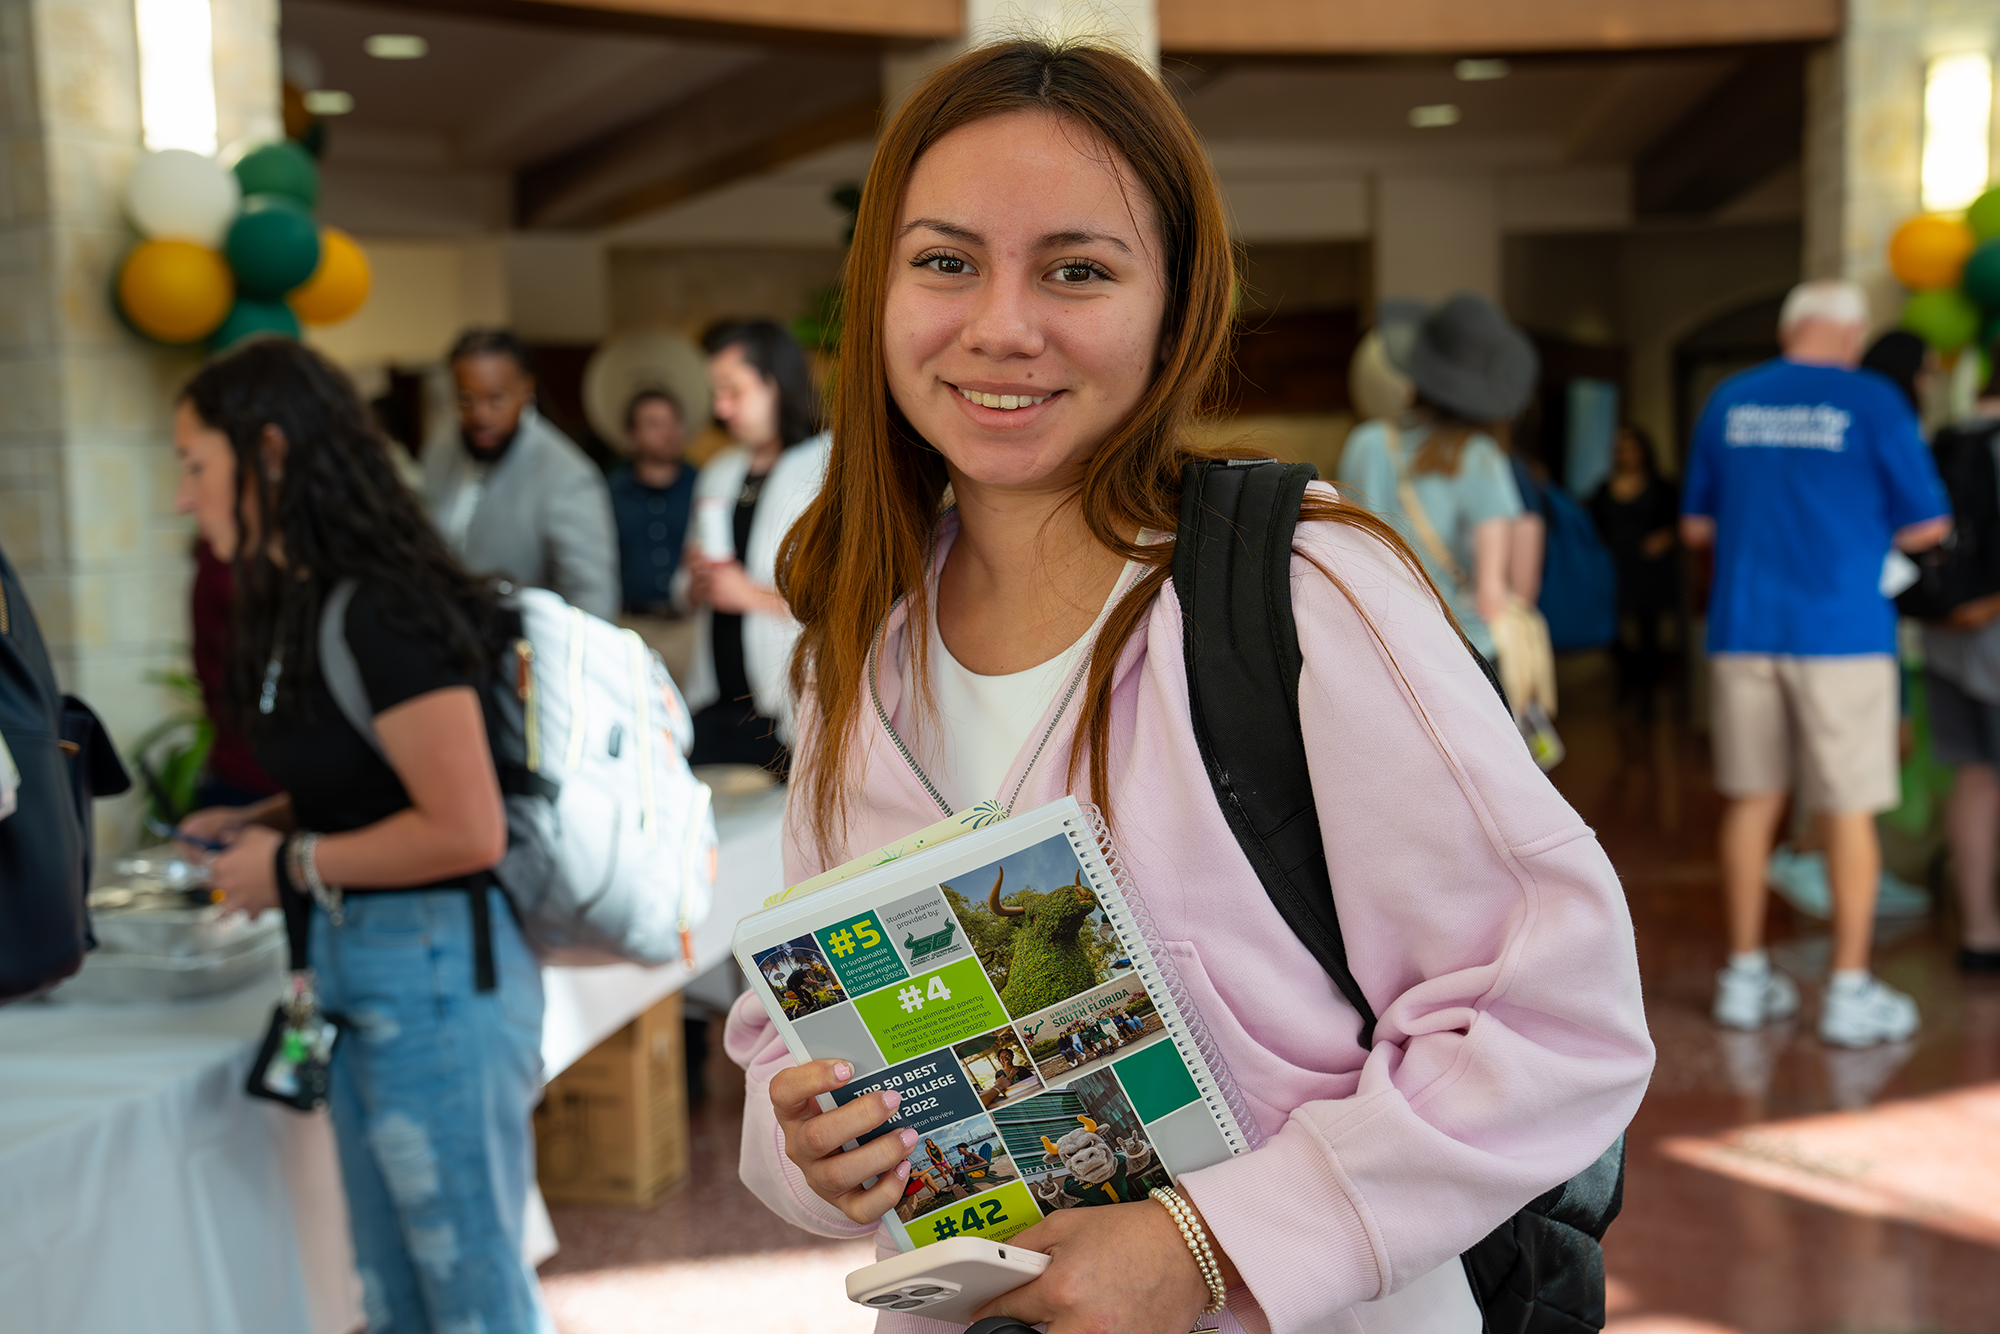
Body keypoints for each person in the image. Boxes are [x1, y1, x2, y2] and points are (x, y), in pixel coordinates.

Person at [723, 39, 1651, 1334]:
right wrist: (812, 1151)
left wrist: (1212, 1243)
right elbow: (803, 1013)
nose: (1001, 324)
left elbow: (1555, 1017)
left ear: (1174, 308)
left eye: (1077, 270)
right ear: (877, 289)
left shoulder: (1302, 593)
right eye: (945, 261)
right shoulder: (858, 633)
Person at [171, 339, 552, 1334]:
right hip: (368, 965)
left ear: (268, 452)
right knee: (392, 1293)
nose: (182, 495)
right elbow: (371, 780)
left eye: (193, 463)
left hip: (431, 969)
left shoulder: (382, 605)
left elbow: (464, 825)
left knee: (469, 1298)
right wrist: (262, 818)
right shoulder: (302, 600)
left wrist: (286, 863)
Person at [1681, 279, 1951, 1047]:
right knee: (1847, 805)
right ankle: (1849, 989)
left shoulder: (1730, 399)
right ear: (1850, 332)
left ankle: (1743, 979)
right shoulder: (1872, 401)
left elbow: (1697, 527)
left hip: (1744, 627)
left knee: (1752, 801)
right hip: (1841, 631)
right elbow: (1929, 525)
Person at [1337, 295, 1534, 671]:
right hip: (1461, 645)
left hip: (1380, 641)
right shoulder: (1479, 456)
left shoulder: (1366, 441)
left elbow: (1347, 544)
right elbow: (1491, 590)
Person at [675, 320, 831, 770]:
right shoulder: (720, 470)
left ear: (776, 383)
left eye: (734, 391)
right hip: (715, 699)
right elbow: (685, 588)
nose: (721, 408)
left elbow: (848, 596)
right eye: (716, 394)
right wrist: (695, 582)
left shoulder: (828, 465)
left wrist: (749, 595)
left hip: (786, 706)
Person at [421, 328, 619, 620]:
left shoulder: (566, 475)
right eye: (466, 401)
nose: (481, 416)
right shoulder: (441, 450)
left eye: (496, 399)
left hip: (522, 652)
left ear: (526, 390)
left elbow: (592, 599)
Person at [1913, 355, 2000, 974]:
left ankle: (1978, 931)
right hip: (1994, 636)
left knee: (1973, 777)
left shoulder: (1945, 438)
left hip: (1942, 639)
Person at [1589, 425, 1680, 714]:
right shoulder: (1604, 488)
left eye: (1632, 448)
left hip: (1649, 569)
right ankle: (1629, 677)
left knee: (1649, 631)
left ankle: (1647, 700)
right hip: (1614, 568)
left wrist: (1665, 538)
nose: (1627, 454)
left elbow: (1681, 524)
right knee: (1610, 629)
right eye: (1621, 449)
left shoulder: (1662, 487)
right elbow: (1589, 523)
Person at [608, 388, 700, 614]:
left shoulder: (703, 486)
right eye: (654, 424)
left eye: (673, 422)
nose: (667, 433)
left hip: (689, 623)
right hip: (630, 622)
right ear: (632, 435)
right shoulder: (611, 493)